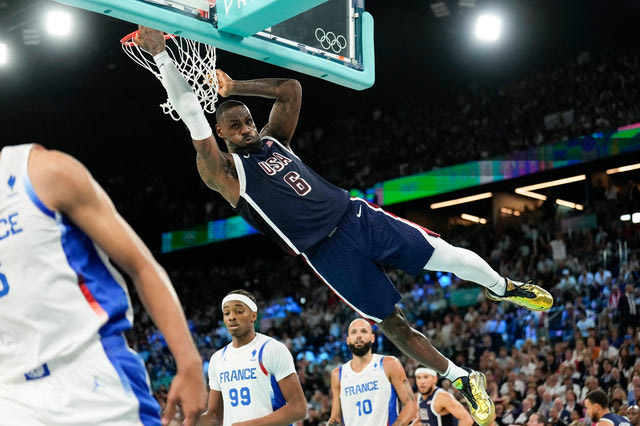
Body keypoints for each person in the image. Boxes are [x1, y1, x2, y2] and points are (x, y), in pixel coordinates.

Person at [135, 25, 554, 426]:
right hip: (326, 253)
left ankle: (503, 288)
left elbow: (290, 90)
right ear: (221, 133)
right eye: (236, 126)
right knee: (392, 324)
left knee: (446, 256)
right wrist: (159, 54)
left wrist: (235, 87)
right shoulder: (224, 172)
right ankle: (461, 377)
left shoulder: (273, 139)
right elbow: (192, 113)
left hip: (357, 217)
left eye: (248, 121)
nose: (246, 129)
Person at [0, 144, 207, 425]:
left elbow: (141, 265)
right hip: (11, 395)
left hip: (92, 374)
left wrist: (189, 362)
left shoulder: (43, 172)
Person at [199, 289, 307, 426]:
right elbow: (214, 415)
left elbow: (299, 408)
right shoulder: (217, 359)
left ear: (253, 316)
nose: (232, 317)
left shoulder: (272, 349)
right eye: (227, 313)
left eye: (238, 311)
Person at [328, 319, 417, 426]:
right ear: (348, 340)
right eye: (354, 332)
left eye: (364, 331)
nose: (358, 336)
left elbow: (411, 404)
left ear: (372, 338)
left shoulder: (389, 364)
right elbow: (335, 419)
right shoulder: (338, 374)